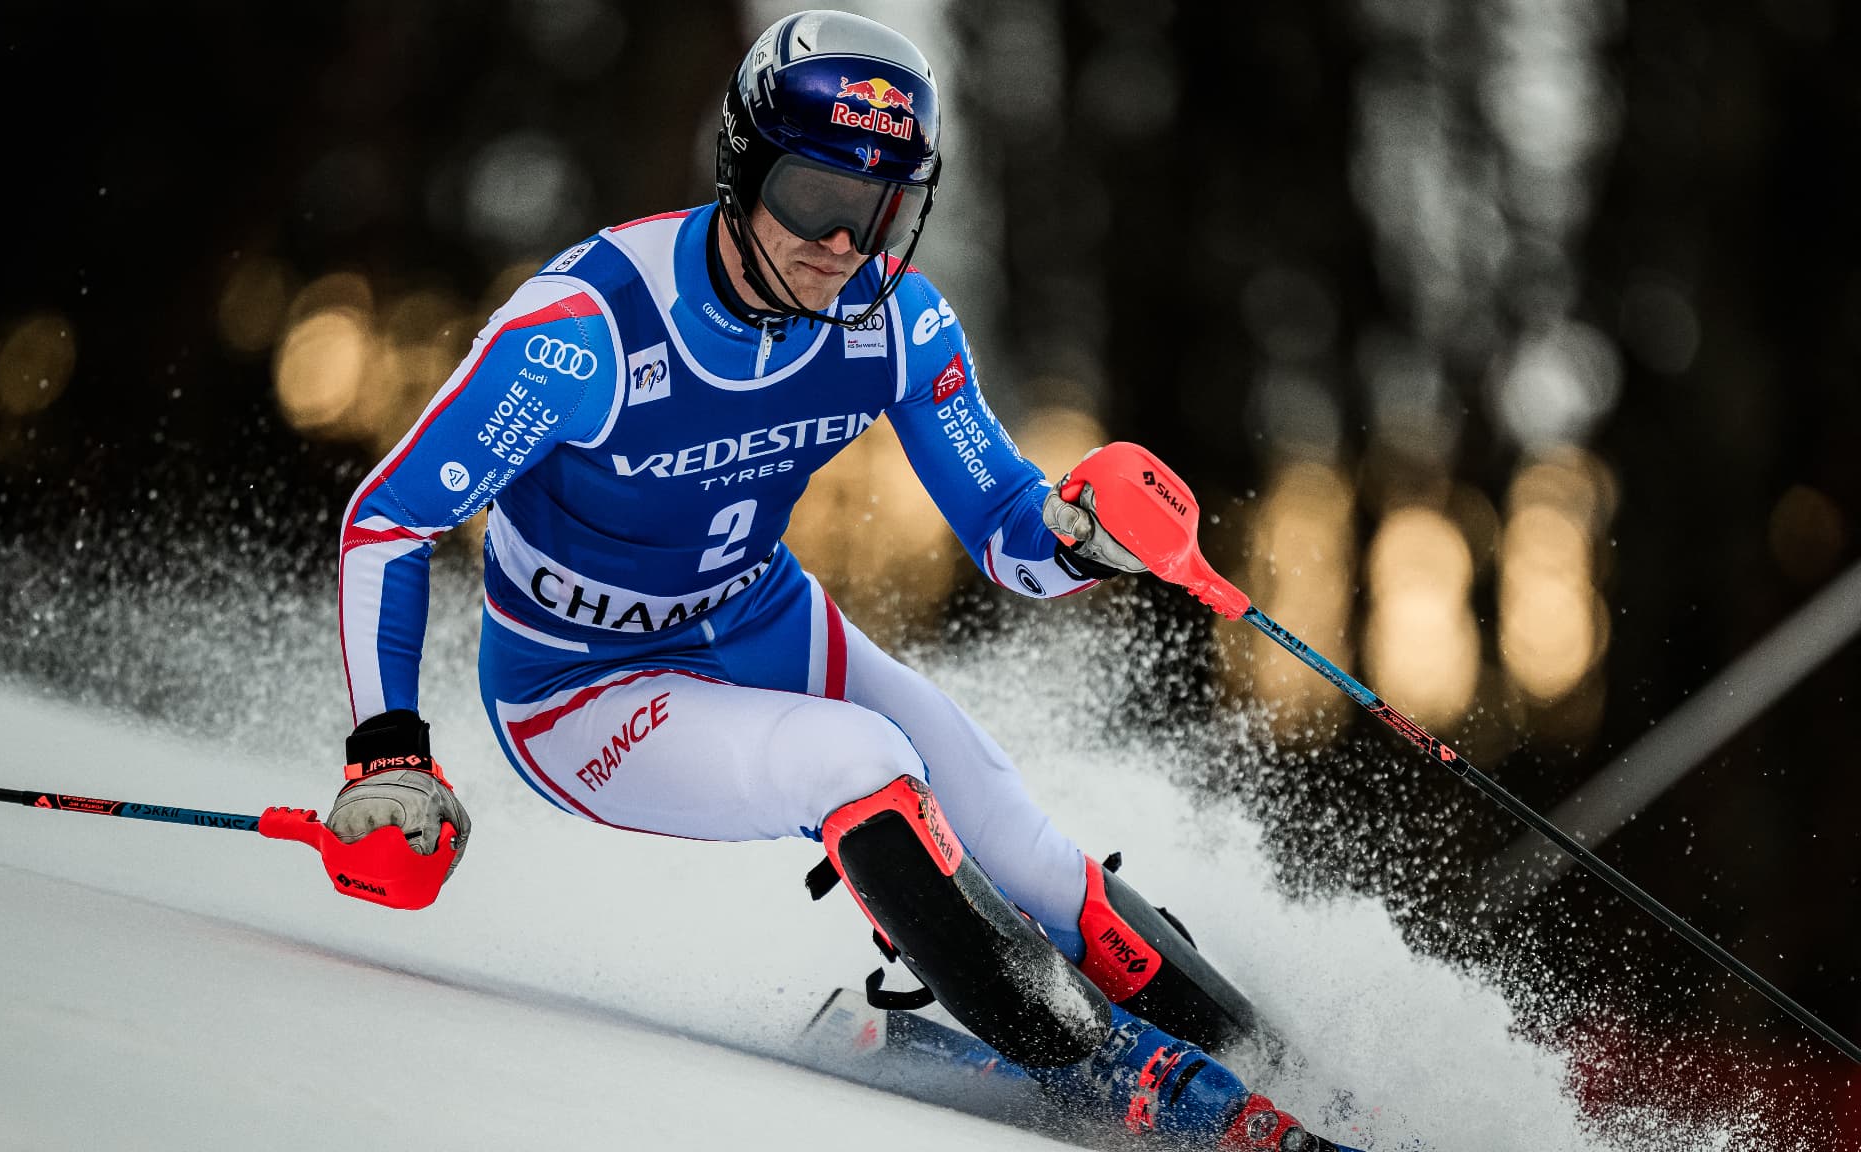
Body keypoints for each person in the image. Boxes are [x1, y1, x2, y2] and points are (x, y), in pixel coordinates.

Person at [326, 11, 1358, 1150]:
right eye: (814, 197)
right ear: (742, 169)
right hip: (581, 693)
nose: (841, 244)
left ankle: (1315, 1093)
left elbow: (1007, 533)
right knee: (860, 762)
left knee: (1035, 863)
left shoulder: (895, 325)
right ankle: (1118, 1076)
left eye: (877, 210)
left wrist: (1079, 538)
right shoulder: (583, 332)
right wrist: (390, 752)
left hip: (762, 622)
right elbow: (388, 518)